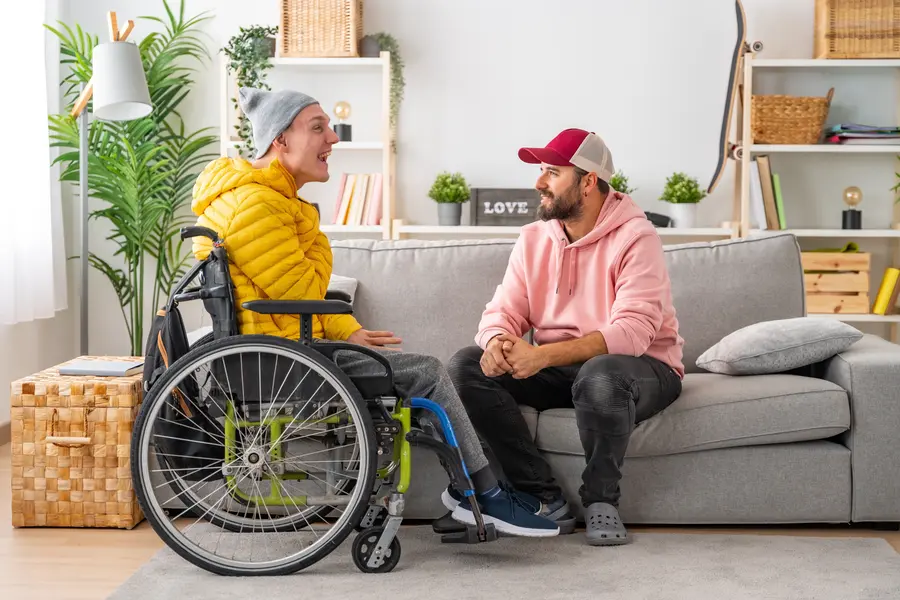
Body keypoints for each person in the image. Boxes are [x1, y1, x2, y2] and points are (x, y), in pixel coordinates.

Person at [189, 87, 559, 538]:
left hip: (277, 351)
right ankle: (486, 494)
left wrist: (347, 329)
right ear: (280, 140)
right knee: (428, 371)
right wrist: (313, 233)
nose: (332, 138)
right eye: (318, 128)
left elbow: (297, 291)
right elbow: (305, 291)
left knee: (417, 374)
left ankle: (470, 490)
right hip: (282, 360)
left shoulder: (261, 200)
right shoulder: (258, 205)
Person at [447, 128, 685, 546]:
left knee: (601, 374)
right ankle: (543, 497)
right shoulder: (533, 238)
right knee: (465, 365)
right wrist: (497, 341)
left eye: (553, 172)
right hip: (563, 370)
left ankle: (601, 500)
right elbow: (504, 309)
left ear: (588, 181)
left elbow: (633, 332)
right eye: (541, 170)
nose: (539, 182)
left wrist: (541, 356)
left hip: (642, 370)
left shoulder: (637, 237)